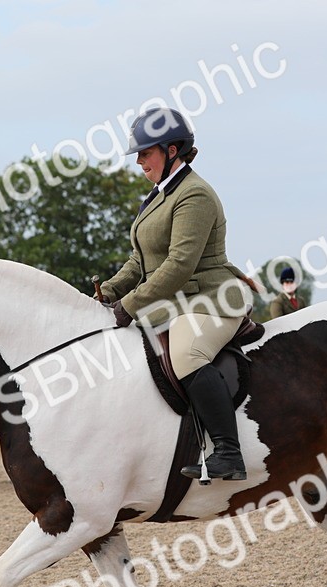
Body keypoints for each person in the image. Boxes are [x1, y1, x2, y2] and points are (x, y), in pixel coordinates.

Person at [99, 107, 252, 481]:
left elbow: (180, 263)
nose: (138, 161)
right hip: (175, 302)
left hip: (212, 299)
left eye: (145, 153)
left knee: (186, 354)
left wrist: (129, 306)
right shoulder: (158, 196)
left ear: (171, 151)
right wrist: (108, 292)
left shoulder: (194, 194)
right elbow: (140, 259)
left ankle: (228, 453)